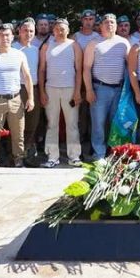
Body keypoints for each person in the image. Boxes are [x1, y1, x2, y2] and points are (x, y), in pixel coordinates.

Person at [0, 23, 34, 167]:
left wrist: (31, 98)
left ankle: (19, 160)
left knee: (18, 134)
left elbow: (27, 77)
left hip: (16, 99)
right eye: (2, 35)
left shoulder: (19, 54)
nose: (5, 38)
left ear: (12, 36)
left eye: (8, 35)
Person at [83, 14, 129, 160]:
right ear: (100, 26)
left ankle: (115, 153)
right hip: (99, 89)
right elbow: (86, 68)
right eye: (106, 22)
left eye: (112, 22)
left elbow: (130, 66)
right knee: (98, 124)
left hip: (119, 90)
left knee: (116, 124)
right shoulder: (94, 44)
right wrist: (89, 90)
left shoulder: (124, 43)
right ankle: (99, 155)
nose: (109, 24)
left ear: (116, 26)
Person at [39, 18, 83, 167]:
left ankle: (74, 156)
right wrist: (42, 92)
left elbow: (79, 70)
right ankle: (52, 157)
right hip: (51, 88)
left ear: (68, 30)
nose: (59, 31)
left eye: (62, 28)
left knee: (72, 123)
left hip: (69, 89)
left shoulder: (74, 46)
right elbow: (42, 70)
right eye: (57, 28)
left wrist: (77, 92)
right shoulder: (47, 46)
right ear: (53, 30)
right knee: (52, 124)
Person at [15, 19, 45, 164]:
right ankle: (16, 155)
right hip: (17, 89)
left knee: (32, 124)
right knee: (17, 125)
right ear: (19, 32)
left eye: (31, 31)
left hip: (33, 89)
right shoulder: (13, 48)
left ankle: (27, 152)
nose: (28, 34)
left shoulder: (36, 49)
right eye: (25, 30)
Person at [74, 9, 102, 160]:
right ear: (82, 20)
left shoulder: (99, 37)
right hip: (79, 81)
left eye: (91, 19)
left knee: (94, 116)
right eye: (86, 19)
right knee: (79, 115)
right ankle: (78, 146)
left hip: (94, 81)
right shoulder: (75, 37)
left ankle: (93, 146)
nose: (88, 22)